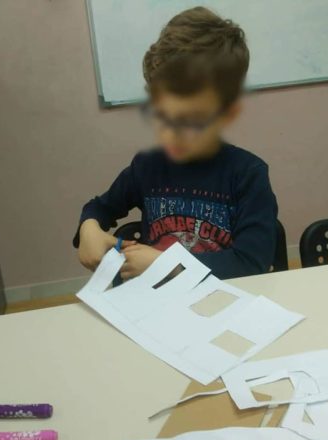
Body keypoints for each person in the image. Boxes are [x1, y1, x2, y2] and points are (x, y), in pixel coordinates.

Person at [74, 6, 278, 280]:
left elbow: (251, 262)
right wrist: (88, 227)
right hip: (156, 302)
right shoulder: (147, 166)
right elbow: (99, 207)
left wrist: (166, 264)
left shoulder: (247, 174)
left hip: (225, 300)